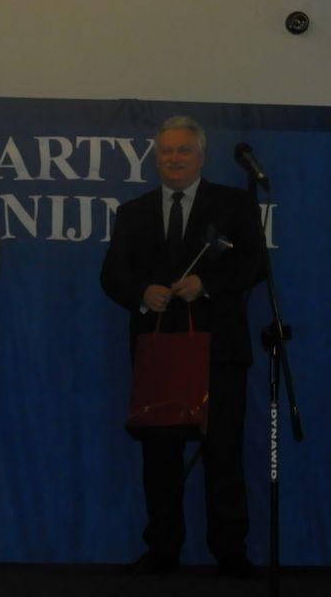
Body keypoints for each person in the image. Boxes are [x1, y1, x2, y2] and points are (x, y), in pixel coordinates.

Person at [100, 116, 263, 578]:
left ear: (201, 155)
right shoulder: (133, 212)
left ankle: (230, 550)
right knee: (159, 457)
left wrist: (206, 284)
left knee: (223, 454)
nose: (174, 159)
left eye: (183, 150)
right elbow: (111, 275)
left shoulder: (234, 205)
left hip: (220, 352)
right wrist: (142, 293)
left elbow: (254, 266)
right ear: (156, 158)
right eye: (166, 151)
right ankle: (162, 548)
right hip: (159, 353)